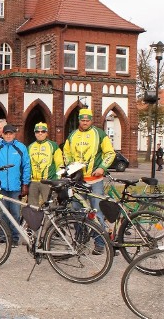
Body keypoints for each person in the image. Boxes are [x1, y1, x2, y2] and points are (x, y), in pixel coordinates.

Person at [63, 108, 115, 253]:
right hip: (78, 181)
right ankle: (81, 239)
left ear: (91, 120)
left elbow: (110, 153)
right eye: (82, 120)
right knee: (76, 212)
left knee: (97, 213)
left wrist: (102, 167)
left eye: (87, 120)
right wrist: (71, 166)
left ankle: (100, 243)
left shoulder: (99, 134)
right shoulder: (72, 135)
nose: (85, 122)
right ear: (79, 120)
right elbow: (66, 153)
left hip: (95, 181)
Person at [0, 124, 31, 247]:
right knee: (3, 212)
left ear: (14, 134)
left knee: (15, 213)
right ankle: (2, 236)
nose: (8, 136)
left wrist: (25, 184)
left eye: (10, 133)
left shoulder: (21, 147)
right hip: (1, 187)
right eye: (6, 133)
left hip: (15, 187)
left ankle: (14, 238)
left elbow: (26, 166)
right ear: (2, 134)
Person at [27, 122, 63, 206]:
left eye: (43, 131)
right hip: (33, 182)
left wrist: (57, 180)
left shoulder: (53, 146)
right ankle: (34, 219)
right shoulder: (30, 147)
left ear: (46, 133)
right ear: (34, 133)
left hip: (48, 182)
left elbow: (60, 164)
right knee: (32, 207)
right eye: (37, 131)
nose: (40, 133)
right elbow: (27, 165)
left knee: (51, 207)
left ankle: (52, 220)